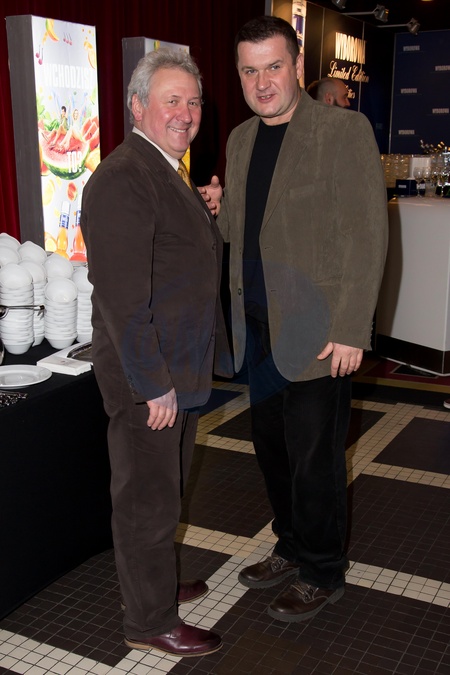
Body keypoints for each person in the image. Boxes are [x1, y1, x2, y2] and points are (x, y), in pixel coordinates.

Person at [216, 16, 388, 623]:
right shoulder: (240, 139)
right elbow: (238, 228)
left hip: (318, 331)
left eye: (273, 66)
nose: (262, 82)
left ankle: (322, 570)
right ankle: (289, 545)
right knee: (272, 449)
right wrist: (216, 207)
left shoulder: (343, 131)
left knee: (315, 457)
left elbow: (367, 235)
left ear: (296, 66)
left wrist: (351, 328)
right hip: (259, 325)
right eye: (249, 70)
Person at [81, 48, 232, 656]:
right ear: (137, 106)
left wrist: (205, 208)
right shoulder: (123, 177)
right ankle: (148, 620)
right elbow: (122, 297)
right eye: (172, 101)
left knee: (166, 490)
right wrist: (151, 384)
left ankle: (157, 584)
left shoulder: (165, 168)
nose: (186, 113)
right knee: (147, 499)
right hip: (149, 377)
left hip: (175, 368)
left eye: (193, 102)